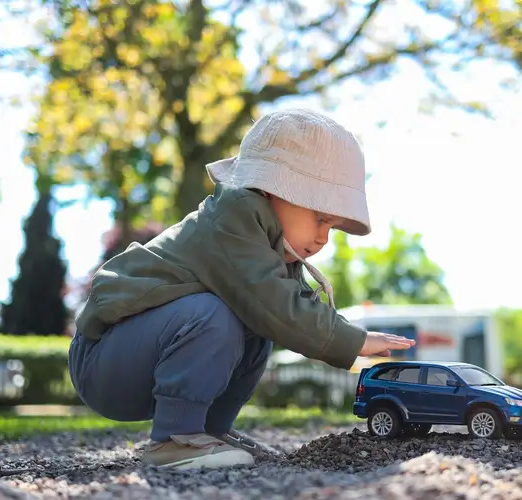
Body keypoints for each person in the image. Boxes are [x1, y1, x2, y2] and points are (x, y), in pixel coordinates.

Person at [67, 108, 416, 471]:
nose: (324, 238)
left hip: (139, 356)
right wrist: (353, 341)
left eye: (333, 226)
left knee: (254, 325)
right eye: (320, 218)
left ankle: (210, 431)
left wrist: (342, 331)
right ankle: (175, 438)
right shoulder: (234, 217)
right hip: (103, 358)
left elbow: (292, 308)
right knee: (217, 314)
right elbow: (278, 306)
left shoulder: (275, 249)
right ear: (273, 188)